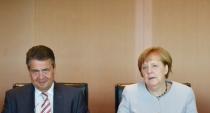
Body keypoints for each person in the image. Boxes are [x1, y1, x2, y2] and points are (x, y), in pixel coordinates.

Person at [2, 45, 89, 113]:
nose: (41, 77)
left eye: (45, 70)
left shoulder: (75, 96)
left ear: (54, 68)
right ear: (29, 71)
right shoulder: (13, 97)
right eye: (35, 71)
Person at [117, 47, 198, 113]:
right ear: (141, 73)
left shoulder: (185, 92)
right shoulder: (130, 92)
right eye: (144, 67)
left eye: (154, 66)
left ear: (166, 69)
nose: (149, 71)